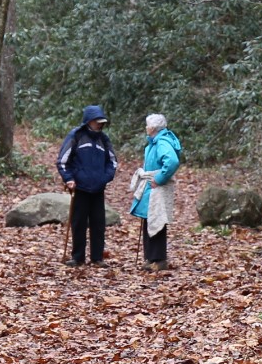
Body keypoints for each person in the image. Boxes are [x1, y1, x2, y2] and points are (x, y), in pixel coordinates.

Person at [55, 105, 117, 266]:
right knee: (78, 223)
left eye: (102, 122)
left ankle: (97, 258)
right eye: (98, 122)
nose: (101, 125)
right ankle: (78, 257)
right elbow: (62, 161)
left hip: (98, 189)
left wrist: (105, 178)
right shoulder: (76, 136)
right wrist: (68, 179)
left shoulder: (104, 139)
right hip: (80, 188)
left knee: (98, 224)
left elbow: (113, 162)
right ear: (89, 121)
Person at [129, 113, 181, 270]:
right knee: (149, 218)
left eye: (147, 125)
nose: (146, 128)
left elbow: (172, 161)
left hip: (156, 186)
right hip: (150, 186)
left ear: (152, 128)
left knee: (157, 219)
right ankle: (150, 258)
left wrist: (159, 179)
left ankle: (158, 259)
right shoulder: (155, 142)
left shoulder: (162, 142)